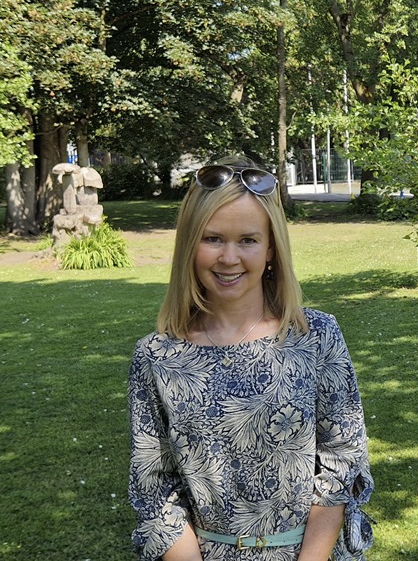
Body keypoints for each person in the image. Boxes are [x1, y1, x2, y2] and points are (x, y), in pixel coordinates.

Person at [127, 155, 374, 561]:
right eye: (212, 239)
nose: (229, 258)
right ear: (189, 245)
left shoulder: (316, 337)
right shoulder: (157, 357)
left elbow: (342, 462)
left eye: (248, 240)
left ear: (272, 247)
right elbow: (155, 491)